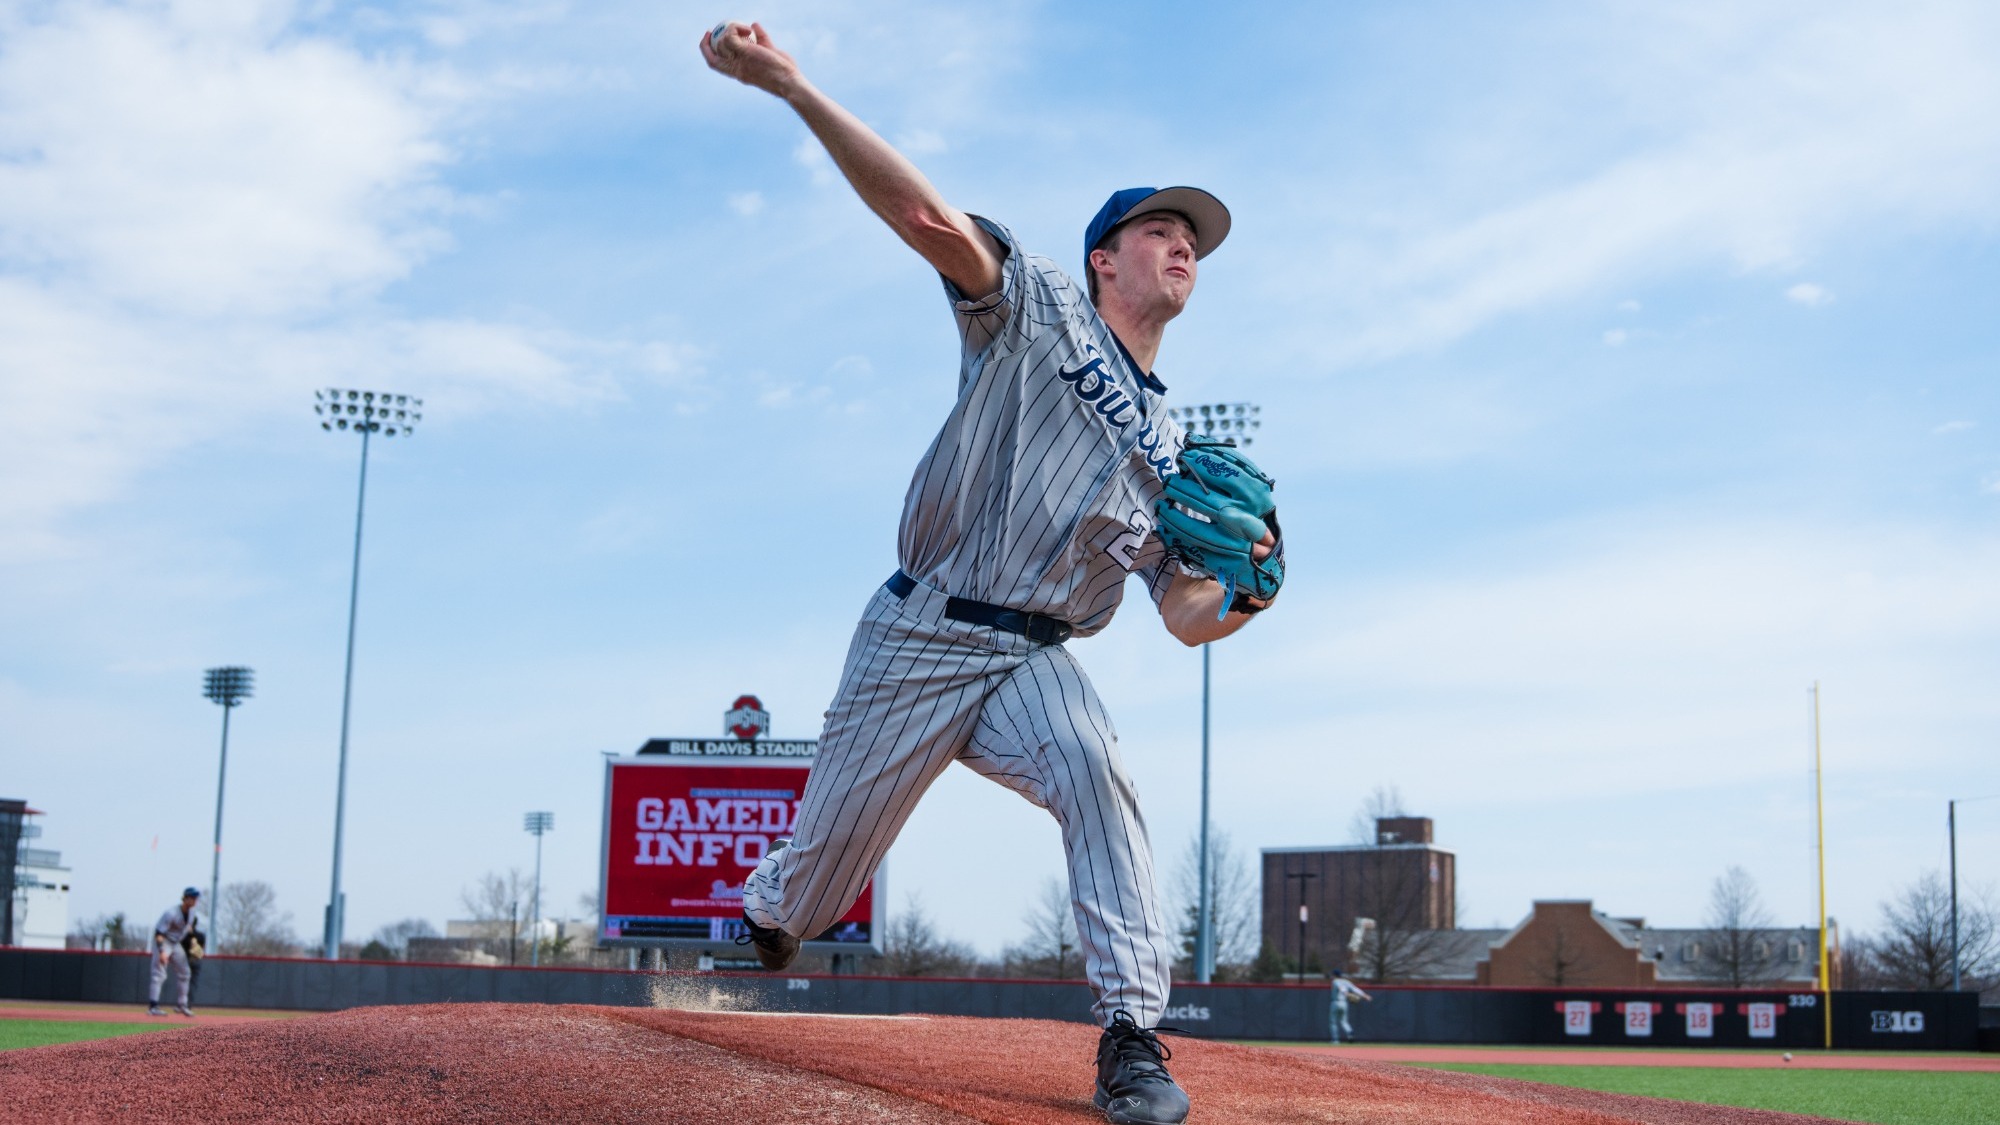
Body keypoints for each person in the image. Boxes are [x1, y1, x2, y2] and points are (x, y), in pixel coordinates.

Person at [700, 21, 1282, 1125]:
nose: (1182, 248)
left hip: (1034, 658)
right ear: (1104, 256)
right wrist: (793, 87)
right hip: (920, 633)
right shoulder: (1042, 308)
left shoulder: (1174, 457)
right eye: (1159, 231)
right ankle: (771, 907)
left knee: (1098, 775)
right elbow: (925, 219)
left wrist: (1246, 591)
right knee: (814, 894)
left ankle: (1132, 1037)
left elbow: (1183, 616)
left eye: (1192, 241)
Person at [147, 887, 201, 1017]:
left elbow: (188, 929)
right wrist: (161, 951)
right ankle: (153, 1006)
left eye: (196, 898)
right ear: (185, 898)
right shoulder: (171, 913)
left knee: (185, 973)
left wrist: (193, 942)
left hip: (176, 943)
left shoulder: (192, 912)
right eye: (192, 898)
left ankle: (182, 1005)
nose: (195, 900)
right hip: (164, 941)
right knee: (159, 974)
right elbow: (159, 933)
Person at [1329, 969, 1372, 1043]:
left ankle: (1335, 1040)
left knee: (1333, 1022)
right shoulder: (1346, 981)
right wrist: (1365, 996)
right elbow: (1355, 989)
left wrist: (1347, 994)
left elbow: (1341, 988)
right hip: (1344, 1003)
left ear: (1334, 975)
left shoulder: (1335, 981)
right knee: (1344, 1021)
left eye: (1332, 975)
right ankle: (1349, 1033)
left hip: (1335, 1003)